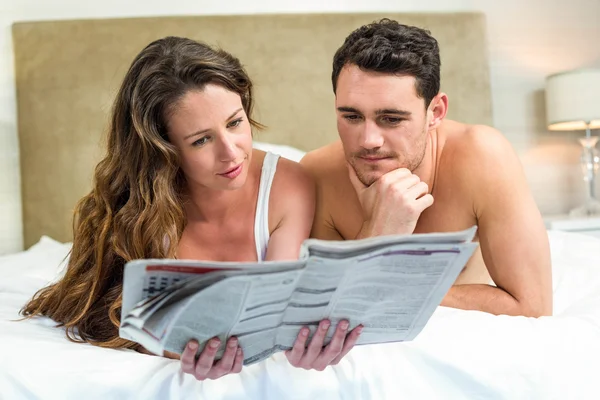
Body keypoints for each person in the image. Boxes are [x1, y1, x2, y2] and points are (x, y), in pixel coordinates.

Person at [21, 36, 361, 381]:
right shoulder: (139, 208)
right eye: (201, 140)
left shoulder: (288, 185)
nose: (231, 152)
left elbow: (275, 313)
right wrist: (174, 350)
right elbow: (111, 316)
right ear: (163, 149)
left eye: (235, 122)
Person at [300, 19, 553, 317]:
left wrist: (390, 288)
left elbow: (533, 307)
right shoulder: (316, 175)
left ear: (435, 112)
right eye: (352, 117)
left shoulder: (482, 156)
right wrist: (379, 233)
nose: (368, 141)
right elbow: (323, 315)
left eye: (391, 119)